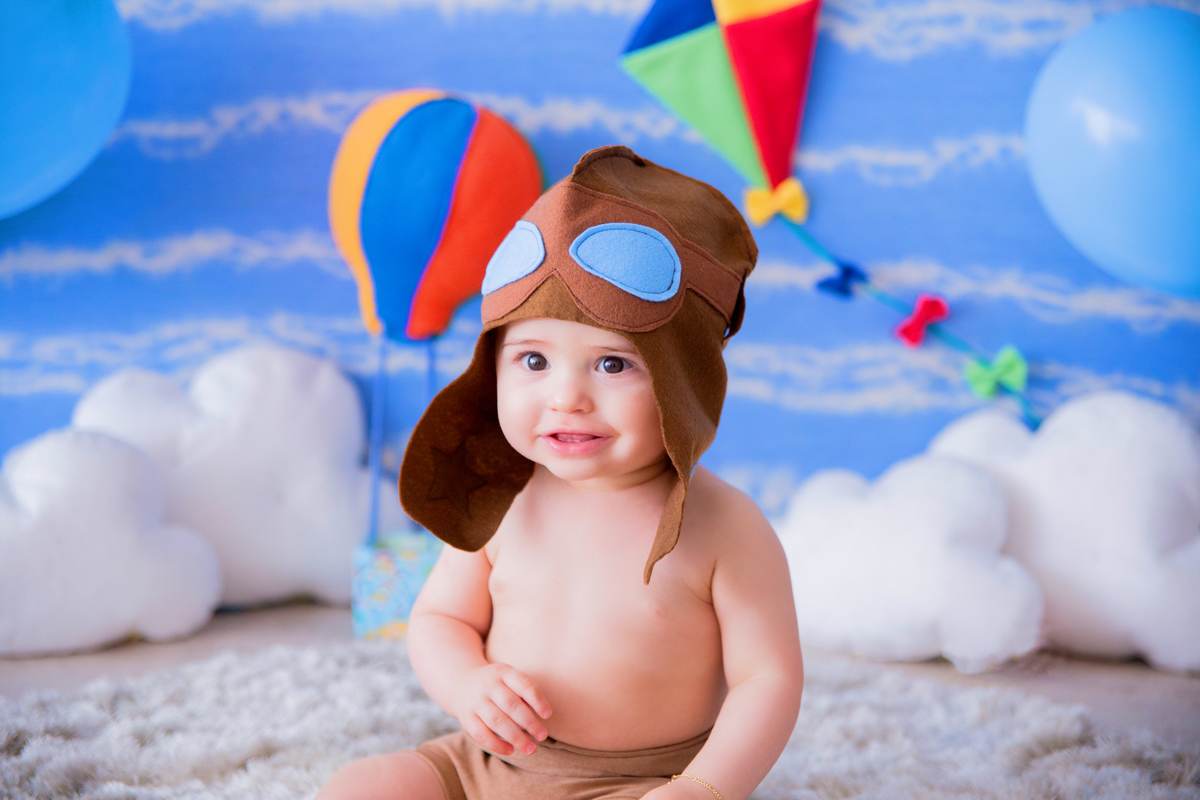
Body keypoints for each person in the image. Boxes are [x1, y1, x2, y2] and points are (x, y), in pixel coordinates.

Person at [317, 146, 802, 800]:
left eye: (611, 365)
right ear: (493, 367)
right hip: (485, 770)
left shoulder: (724, 527)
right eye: (534, 361)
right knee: (366, 787)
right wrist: (468, 686)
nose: (566, 397)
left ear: (681, 382)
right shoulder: (504, 495)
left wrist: (705, 788)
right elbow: (441, 620)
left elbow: (767, 679)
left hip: (646, 783)